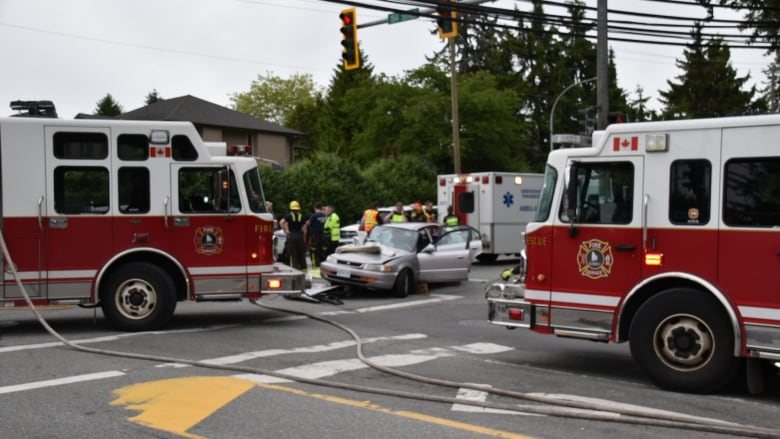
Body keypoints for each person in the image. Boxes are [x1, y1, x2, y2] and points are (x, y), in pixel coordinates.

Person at [279, 200, 307, 270]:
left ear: (291, 208)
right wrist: (304, 237)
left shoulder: (288, 216)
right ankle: (303, 268)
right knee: (301, 254)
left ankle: (294, 268)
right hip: (300, 236)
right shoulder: (302, 216)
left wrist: (286, 231)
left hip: (292, 236)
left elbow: (281, 222)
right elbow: (304, 228)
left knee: (293, 253)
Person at [305, 202, 327, 268]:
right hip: (323, 236)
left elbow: (307, 224)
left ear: (315, 208)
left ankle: (315, 266)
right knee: (322, 251)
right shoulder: (324, 216)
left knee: (313, 251)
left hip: (315, 236)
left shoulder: (314, 216)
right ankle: (322, 265)